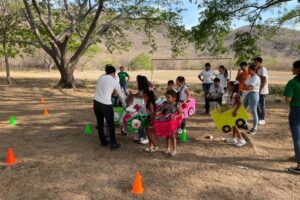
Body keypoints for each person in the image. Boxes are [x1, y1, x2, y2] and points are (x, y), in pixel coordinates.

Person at [94, 64, 126, 150]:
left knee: (100, 123)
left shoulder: (101, 77)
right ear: (114, 73)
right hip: (106, 104)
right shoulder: (114, 81)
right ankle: (113, 144)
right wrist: (125, 106)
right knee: (110, 124)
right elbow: (121, 95)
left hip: (96, 102)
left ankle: (103, 141)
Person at [283, 60, 300, 174]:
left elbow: (288, 99)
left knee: (297, 139)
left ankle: (299, 166)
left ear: (298, 70)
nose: (291, 69)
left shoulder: (292, 83)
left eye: (293, 67)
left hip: (296, 111)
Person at [156, 90, 181, 156]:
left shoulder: (177, 104)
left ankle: (174, 150)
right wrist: (159, 112)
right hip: (166, 121)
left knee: (172, 136)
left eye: (168, 97)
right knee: (167, 135)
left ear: (174, 98)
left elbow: (181, 113)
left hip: (172, 122)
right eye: (166, 97)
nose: (167, 99)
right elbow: (162, 111)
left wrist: (176, 116)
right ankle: (167, 148)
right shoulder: (165, 104)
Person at [225, 81, 247, 147]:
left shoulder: (235, 94)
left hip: (234, 113)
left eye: (228, 86)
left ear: (233, 87)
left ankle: (241, 139)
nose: (227, 87)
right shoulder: (233, 93)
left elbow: (240, 103)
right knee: (233, 125)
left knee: (234, 126)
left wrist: (235, 111)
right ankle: (234, 138)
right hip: (232, 111)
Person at [243, 64, 261, 135]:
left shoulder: (256, 78)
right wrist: (245, 86)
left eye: (250, 70)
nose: (248, 71)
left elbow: (249, 87)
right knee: (243, 109)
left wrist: (244, 87)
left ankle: (254, 128)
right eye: (248, 69)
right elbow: (245, 85)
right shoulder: (250, 77)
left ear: (254, 70)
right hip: (247, 94)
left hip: (253, 95)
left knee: (253, 111)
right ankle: (244, 123)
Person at [143, 85, 159, 152]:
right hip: (148, 118)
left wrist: (151, 121)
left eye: (144, 93)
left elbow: (152, 112)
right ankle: (150, 146)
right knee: (147, 132)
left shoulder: (150, 102)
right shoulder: (147, 100)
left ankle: (155, 146)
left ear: (146, 94)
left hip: (151, 119)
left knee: (150, 133)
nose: (143, 94)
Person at [254, 57, 269, 125]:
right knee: (257, 104)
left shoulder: (263, 69)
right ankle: (259, 117)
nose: (255, 63)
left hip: (262, 90)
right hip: (257, 89)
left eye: (256, 62)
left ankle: (262, 119)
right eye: (254, 62)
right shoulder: (257, 69)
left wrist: (260, 89)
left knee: (261, 104)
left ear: (260, 63)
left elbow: (264, 80)